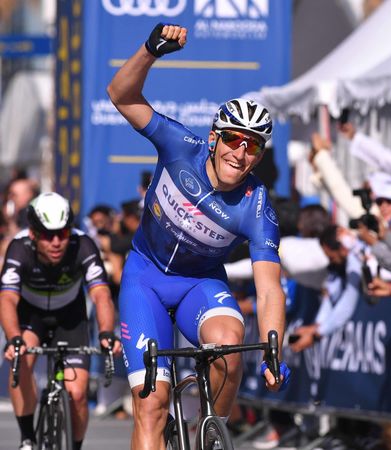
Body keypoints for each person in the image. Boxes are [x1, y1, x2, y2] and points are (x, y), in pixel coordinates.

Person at [107, 23, 289, 449]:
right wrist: (150, 51)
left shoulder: (256, 206)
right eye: (233, 139)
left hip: (199, 285)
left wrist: (273, 351)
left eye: (252, 146)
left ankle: (210, 433)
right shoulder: (179, 146)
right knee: (151, 406)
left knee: (228, 347)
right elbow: (121, 95)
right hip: (145, 278)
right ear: (213, 138)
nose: (239, 152)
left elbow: (269, 290)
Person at [0, 192, 121, 450]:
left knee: (77, 393)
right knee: (20, 362)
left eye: (63, 233)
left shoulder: (83, 245)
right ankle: (27, 439)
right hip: (31, 316)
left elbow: (101, 295)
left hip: (70, 318)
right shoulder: (19, 248)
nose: (56, 242)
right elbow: (7, 298)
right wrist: (13, 338)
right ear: (33, 234)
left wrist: (106, 332)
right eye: (47, 235)